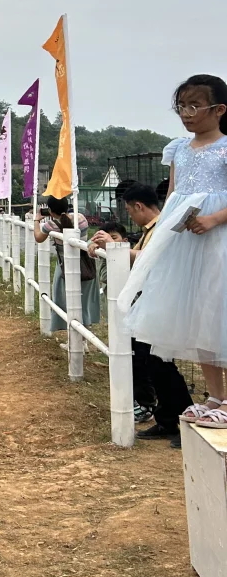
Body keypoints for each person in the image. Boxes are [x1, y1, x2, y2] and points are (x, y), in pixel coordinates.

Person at [119, 74, 227, 418]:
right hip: (184, 241)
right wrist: (163, 234)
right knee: (197, 314)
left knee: (218, 310)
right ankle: (215, 397)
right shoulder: (178, 149)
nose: (186, 113)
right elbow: (172, 196)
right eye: (181, 105)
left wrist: (213, 219)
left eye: (194, 105)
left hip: (218, 238)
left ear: (219, 109)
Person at [92, 184, 192, 446]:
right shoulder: (150, 231)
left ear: (139, 206)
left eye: (129, 210)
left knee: (161, 364)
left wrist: (114, 247)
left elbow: (149, 259)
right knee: (152, 364)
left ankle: (183, 420)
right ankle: (169, 419)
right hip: (151, 302)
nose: (129, 216)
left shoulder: (163, 229)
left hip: (163, 302)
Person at [33, 194, 101, 335]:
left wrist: (36, 220)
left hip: (65, 267)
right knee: (84, 303)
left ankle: (75, 340)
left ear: (50, 211)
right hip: (86, 265)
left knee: (65, 302)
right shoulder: (80, 218)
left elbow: (38, 237)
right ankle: (84, 341)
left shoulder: (50, 225)